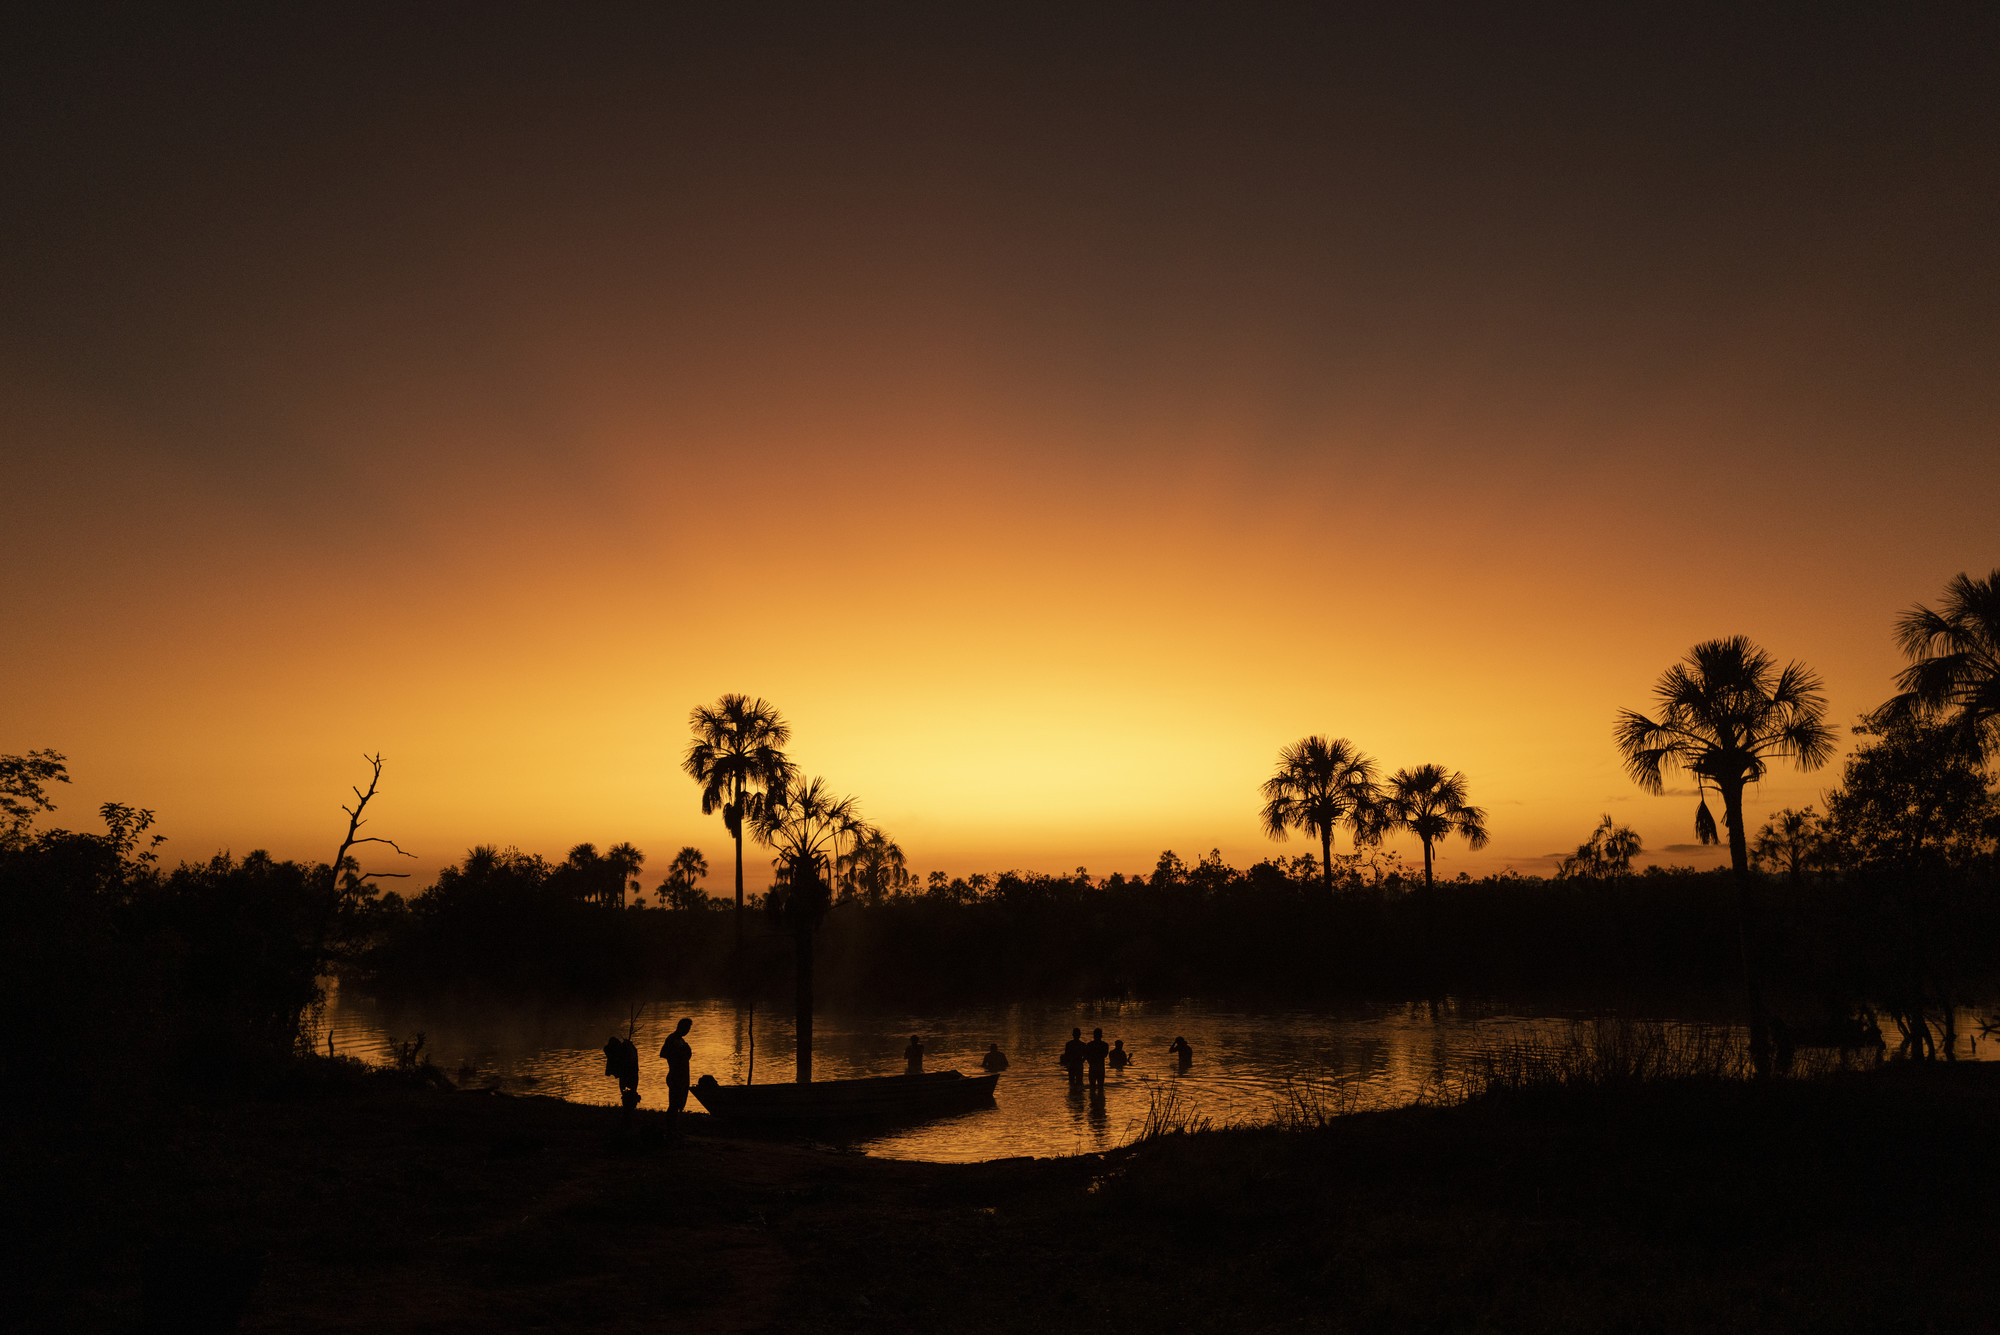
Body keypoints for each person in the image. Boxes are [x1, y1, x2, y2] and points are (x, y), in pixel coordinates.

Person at [659, 1017, 693, 1124]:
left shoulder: (681, 1040)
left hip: (682, 1076)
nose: (687, 1031)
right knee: (674, 1104)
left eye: (689, 1029)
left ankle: (673, 1127)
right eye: (686, 1028)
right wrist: (677, 1053)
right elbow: (664, 1053)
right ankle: (670, 1128)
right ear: (680, 1027)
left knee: (678, 1103)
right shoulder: (672, 1039)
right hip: (675, 1075)